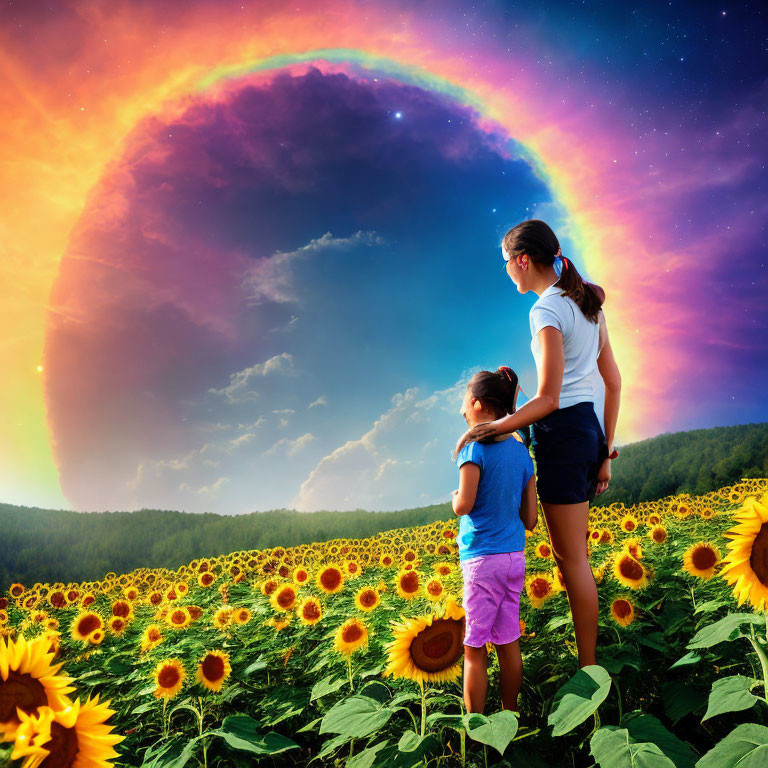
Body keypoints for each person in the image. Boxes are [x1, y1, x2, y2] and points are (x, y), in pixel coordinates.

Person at [453, 219, 622, 669]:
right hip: (585, 431)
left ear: (523, 260)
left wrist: (494, 426)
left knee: (572, 562)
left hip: (562, 436)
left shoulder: (545, 310)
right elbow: (611, 383)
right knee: (576, 558)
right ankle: (588, 659)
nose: (507, 270)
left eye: (506, 262)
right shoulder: (587, 306)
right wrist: (605, 452)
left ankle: (589, 672)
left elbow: (550, 400)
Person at [452, 367, 538, 714]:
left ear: (475, 404)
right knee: (508, 643)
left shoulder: (473, 450)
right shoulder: (522, 454)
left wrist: (454, 496)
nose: (462, 412)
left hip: (482, 561)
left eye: (463, 406)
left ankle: (475, 732)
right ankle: (510, 714)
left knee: (474, 649)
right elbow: (530, 519)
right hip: (514, 559)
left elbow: (465, 505)